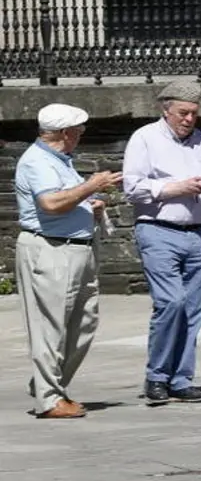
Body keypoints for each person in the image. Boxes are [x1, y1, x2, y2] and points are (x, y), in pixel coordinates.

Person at [123, 79, 201, 406]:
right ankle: (157, 376)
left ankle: (181, 379)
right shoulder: (145, 138)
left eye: (194, 114)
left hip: (197, 232)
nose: (189, 119)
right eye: (183, 113)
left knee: (194, 308)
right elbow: (132, 188)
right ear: (166, 110)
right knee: (171, 302)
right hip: (158, 229)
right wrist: (175, 188)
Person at [14, 103, 122, 419]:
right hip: (51, 250)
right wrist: (91, 185)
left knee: (84, 322)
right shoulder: (37, 161)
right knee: (50, 326)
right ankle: (49, 399)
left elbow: (68, 198)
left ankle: (46, 384)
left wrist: (91, 203)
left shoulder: (60, 161)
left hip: (77, 249)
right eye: (79, 129)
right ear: (65, 132)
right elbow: (50, 203)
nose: (82, 134)